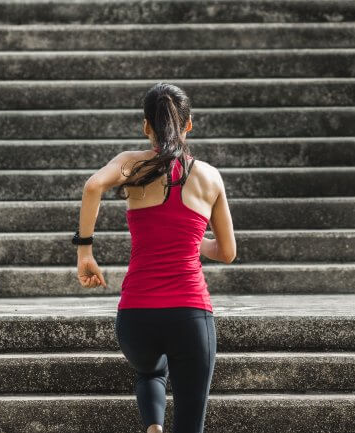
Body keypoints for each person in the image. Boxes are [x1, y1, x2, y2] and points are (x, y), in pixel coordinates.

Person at [73, 82, 237, 433]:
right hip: (190, 315)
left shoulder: (131, 165)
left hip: (136, 316)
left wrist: (85, 251)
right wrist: (191, 240)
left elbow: (92, 187)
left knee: (149, 371)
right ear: (189, 124)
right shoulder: (208, 177)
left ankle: (153, 425)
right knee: (191, 422)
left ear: (146, 126)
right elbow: (226, 252)